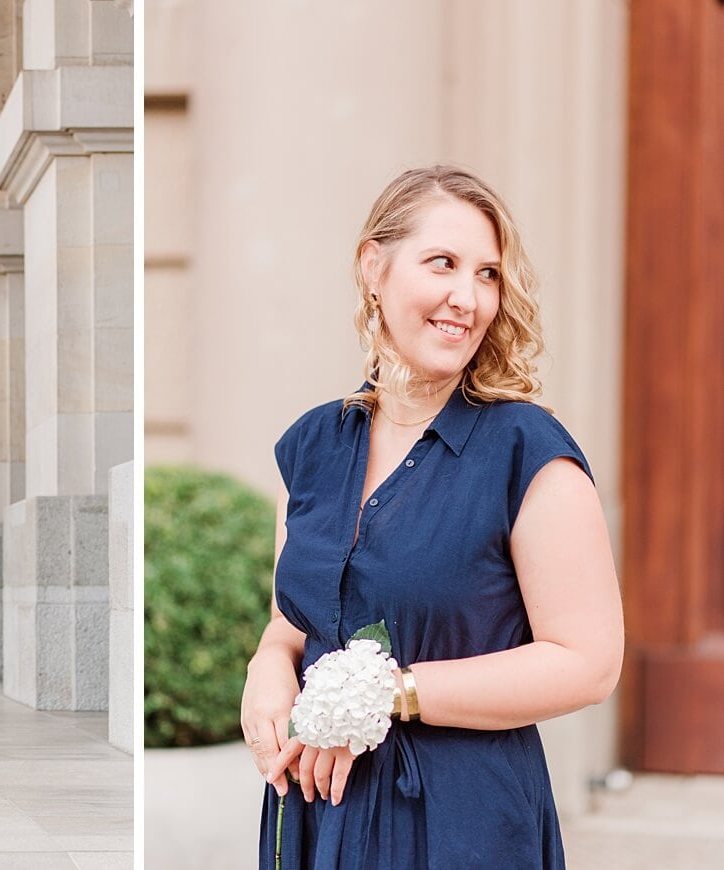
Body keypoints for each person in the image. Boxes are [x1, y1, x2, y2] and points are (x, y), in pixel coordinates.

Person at [240, 165, 624, 868]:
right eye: (442, 263)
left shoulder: (527, 451)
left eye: (486, 274)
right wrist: (267, 668)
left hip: (460, 822)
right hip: (314, 816)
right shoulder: (312, 446)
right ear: (373, 267)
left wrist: (391, 694)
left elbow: (588, 663)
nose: (466, 297)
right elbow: (290, 623)